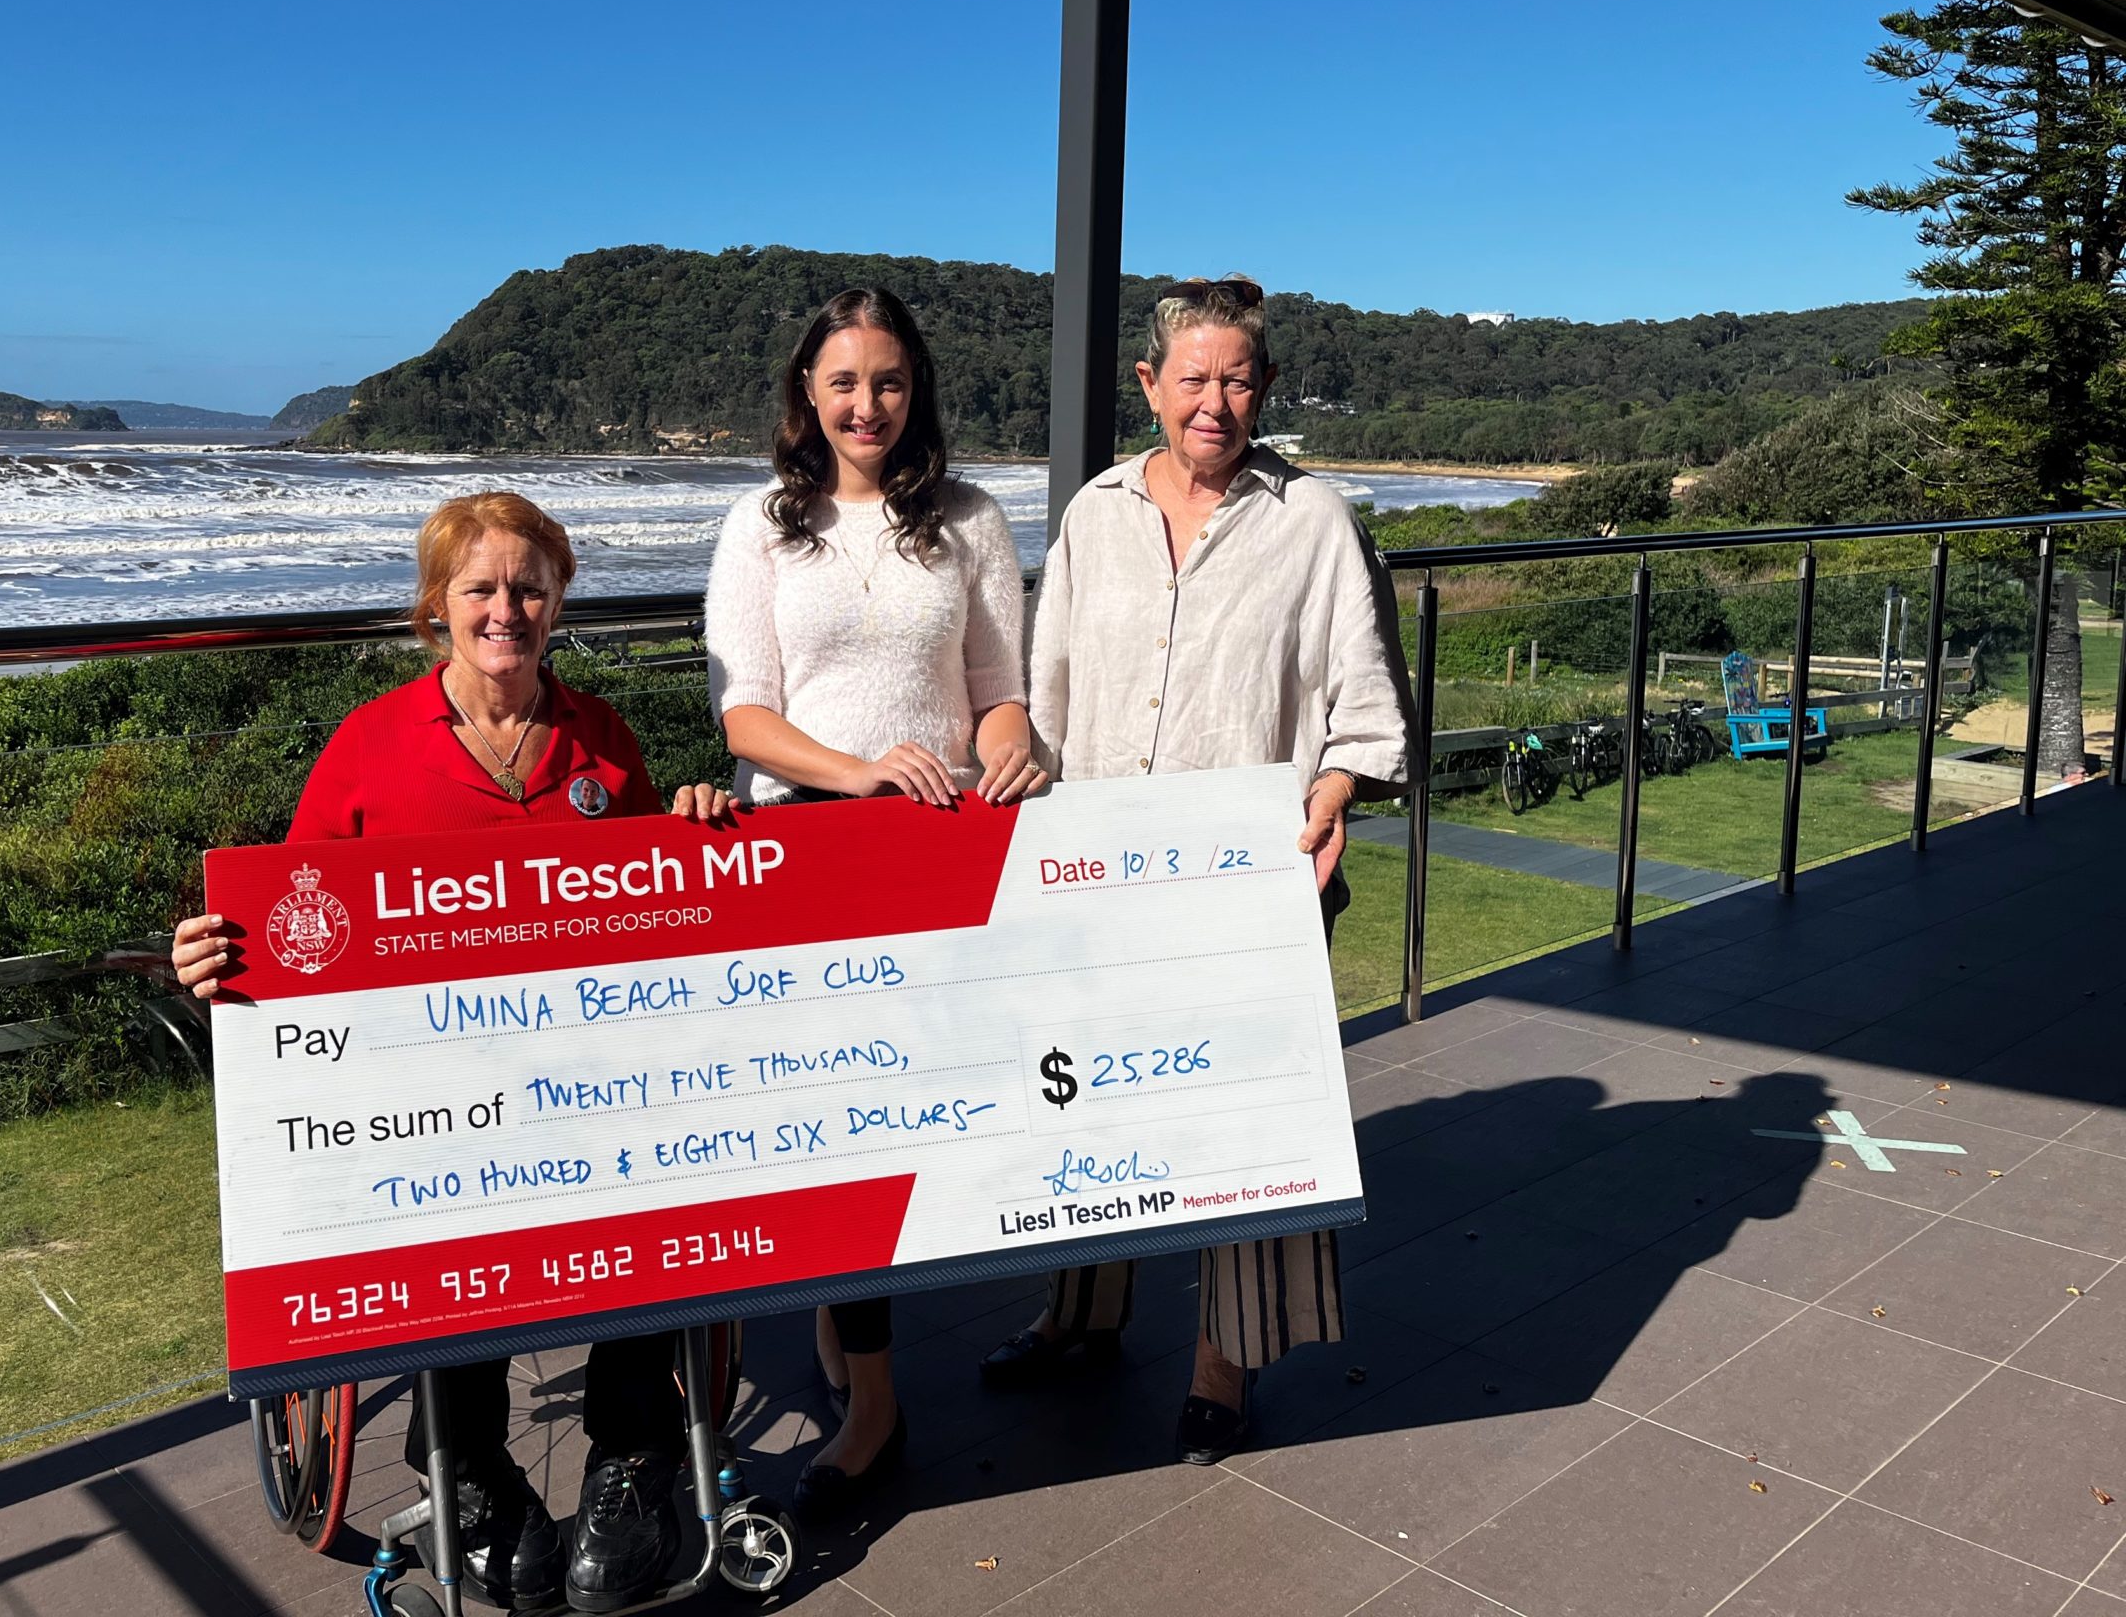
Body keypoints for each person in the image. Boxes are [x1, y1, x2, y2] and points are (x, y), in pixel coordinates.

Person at [172, 491, 736, 1616]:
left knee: (660, 1191)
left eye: (530, 586)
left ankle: (633, 1460)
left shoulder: (603, 739)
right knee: (447, 1222)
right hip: (431, 1091)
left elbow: (657, 914)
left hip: (586, 1079)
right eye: (481, 587)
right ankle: (470, 1467)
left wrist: (697, 823)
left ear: (559, 598)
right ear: (438, 607)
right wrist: (217, 954)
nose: (507, 609)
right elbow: (296, 920)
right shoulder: (368, 748)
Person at [979, 274, 1413, 1464]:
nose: (1212, 402)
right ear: (1149, 387)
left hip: (1252, 883)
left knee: (1242, 1123)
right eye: (1192, 379)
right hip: (1101, 881)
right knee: (1080, 1101)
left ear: (1263, 388)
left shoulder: (1312, 520)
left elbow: (1364, 703)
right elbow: (1047, 696)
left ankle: (1226, 1364)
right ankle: (1078, 1318)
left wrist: (1333, 795)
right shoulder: (1092, 516)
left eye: (1235, 380)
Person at [704, 284, 1043, 1515]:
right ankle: (876, 1402)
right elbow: (744, 716)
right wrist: (858, 774)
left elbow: (997, 685)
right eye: (843, 382)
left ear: (918, 391)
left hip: (934, 854)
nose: (867, 405)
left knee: (896, 1124)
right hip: (805, 850)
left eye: (888, 382)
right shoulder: (759, 526)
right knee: (829, 1129)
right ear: (806, 392)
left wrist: (1012, 745)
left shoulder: (968, 519)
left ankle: (864, 1370)